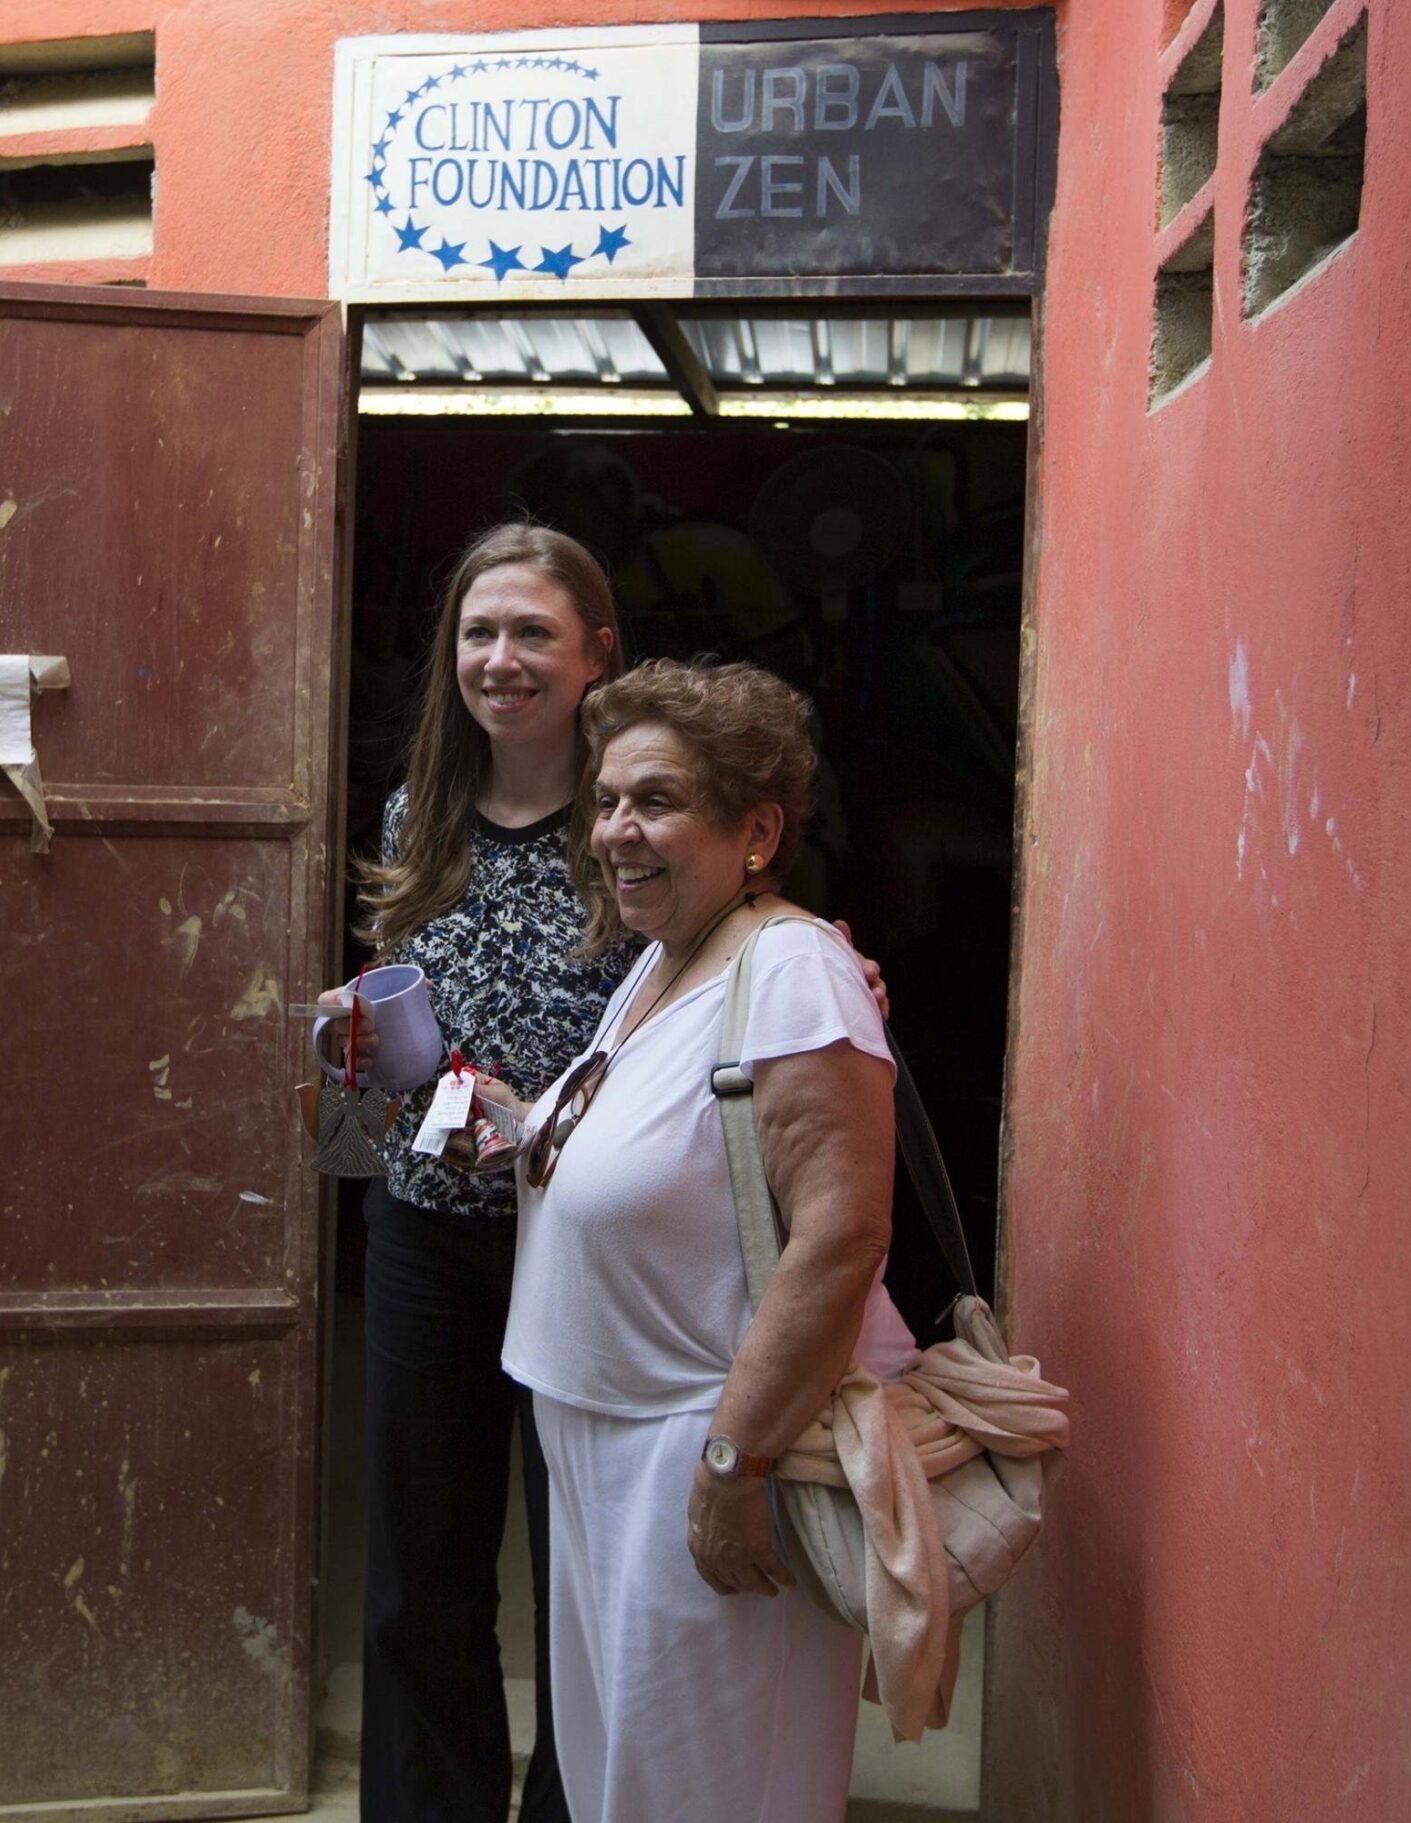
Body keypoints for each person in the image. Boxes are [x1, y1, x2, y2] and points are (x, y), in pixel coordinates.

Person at [495, 659, 920, 1823]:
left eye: (657, 800)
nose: (614, 832)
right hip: (600, 1436)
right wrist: (519, 1128)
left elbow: (841, 1234)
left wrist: (737, 1461)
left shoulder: (793, 971)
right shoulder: (668, 951)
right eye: (606, 799)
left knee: (715, 1790)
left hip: (706, 1442)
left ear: (757, 828)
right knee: (621, 1783)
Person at [323, 523, 629, 1823]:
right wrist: (360, 1035)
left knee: (588, 1569)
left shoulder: (638, 820)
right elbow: (415, 1029)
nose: (500, 660)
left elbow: (731, 984)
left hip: (595, 1249)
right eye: (478, 632)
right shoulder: (418, 812)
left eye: (533, 632)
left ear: (596, 654)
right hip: (427, 1236)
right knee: (420, 1573)